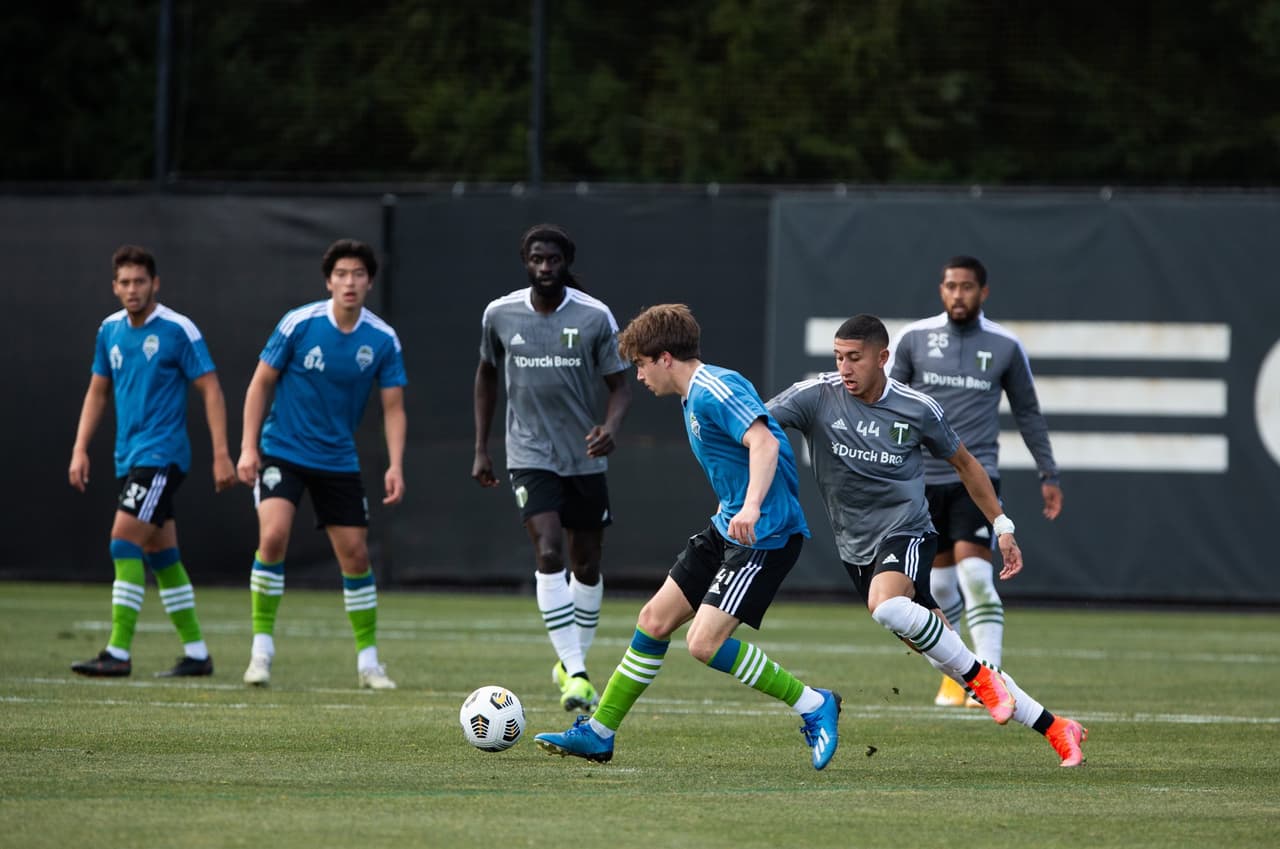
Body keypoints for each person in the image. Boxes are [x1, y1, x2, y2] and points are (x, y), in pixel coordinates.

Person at [767, 314, 1087, 767]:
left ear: (883, 358)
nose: (845, 368)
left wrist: (1002, 525)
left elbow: (966, 464)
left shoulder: (916, 408)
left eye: (854, 358)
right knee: (947, 659)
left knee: (887, 606)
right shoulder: (816, 395)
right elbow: (756, 425)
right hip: (854, 548)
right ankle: (1056, 727)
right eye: (839, 357)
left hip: (908, 531)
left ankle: (983, 679)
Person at [534, 304, 842, 769]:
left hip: (765, 535)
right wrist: (736, 506)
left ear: (663, 358)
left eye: (639, 364)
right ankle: (598, 733)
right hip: (728, 528)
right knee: (654, 620)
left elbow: (765, 442)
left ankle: (814, 705)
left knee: (703, 644)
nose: (637, 376)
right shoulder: (691, 396)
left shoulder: (715, 387)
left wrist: (754, 505)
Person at [887, 256, 1062, 708]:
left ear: (983, 293)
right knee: (941, 589)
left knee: (975, 575)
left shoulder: (1004, 345)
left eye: (966, 287)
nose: (957, 294)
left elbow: (1027, 411)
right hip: (920, 481)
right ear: (940, 290)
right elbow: (887, 404)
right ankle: (957, 674)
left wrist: (1048, 471)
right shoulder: (914, 339)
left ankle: (992, 677)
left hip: (975, 476)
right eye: (950, 286)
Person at [473, 224, 632, 712]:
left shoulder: (593, 316)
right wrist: (482, 447)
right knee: (547, 552)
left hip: (583, 457)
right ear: (526, 261)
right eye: (537, 260)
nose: (545, 268)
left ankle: (571, 665)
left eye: (553, 261)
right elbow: (486, 374)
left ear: (566, 263)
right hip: (528, 454)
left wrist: (610, 427)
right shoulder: (500, 313)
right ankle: (579, 673)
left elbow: (620, 386)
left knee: (586, 564)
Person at [236, 238, 406, 690]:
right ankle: (261, 653)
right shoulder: (298, 323)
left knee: (354, 556)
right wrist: (248, 448)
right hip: (282, 449)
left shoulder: (382, 338)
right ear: (328, 280)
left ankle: (369, 663)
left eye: (358, 274)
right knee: (272, 538)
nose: (349, 282)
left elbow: (393, 407)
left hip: (337, 459)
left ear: (370, 281)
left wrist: (395, 464)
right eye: (341, 274)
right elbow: (259, 385)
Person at [68, 244, 237, 678]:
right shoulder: (109, 330)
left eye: (139, 281)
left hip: (162, 456)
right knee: (162, 554)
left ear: (155, 283)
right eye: (124, 282)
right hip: (129, 456)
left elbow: (211, 389)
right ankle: (197, 654)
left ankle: (118, 653)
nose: (132, 289)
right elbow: (97, 391)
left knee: (123, 540)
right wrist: (79, 448)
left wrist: (222, 454)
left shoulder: (178, 329)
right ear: (114, 286)